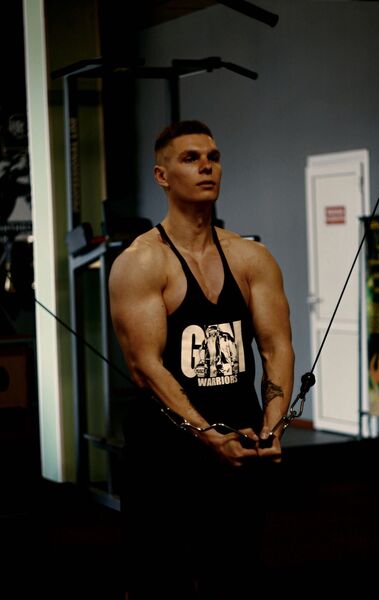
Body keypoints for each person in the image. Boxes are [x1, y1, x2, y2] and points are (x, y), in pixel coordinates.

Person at [109, 120, 295, 598]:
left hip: (239, 448)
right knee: (158, 583)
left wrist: (273, 427)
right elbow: (146, 367)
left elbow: (276, 346)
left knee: (234, 576)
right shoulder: (142, 262)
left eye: (213, 157)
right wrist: (209, 435)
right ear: (162, 175)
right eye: (190, 158)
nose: (206, 166)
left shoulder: (252, 258)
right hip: (163, 455)